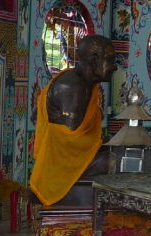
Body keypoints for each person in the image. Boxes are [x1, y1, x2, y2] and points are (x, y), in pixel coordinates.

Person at [29, 34, 116, 206]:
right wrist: (100, 145)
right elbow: (70, 140)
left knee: (125, 154)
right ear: (94, 60)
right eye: (110, 60)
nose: (114, 68)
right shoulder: (71, 86)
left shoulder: (88, 86)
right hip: (62, 163)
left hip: (74, 155)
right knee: (117, 160)